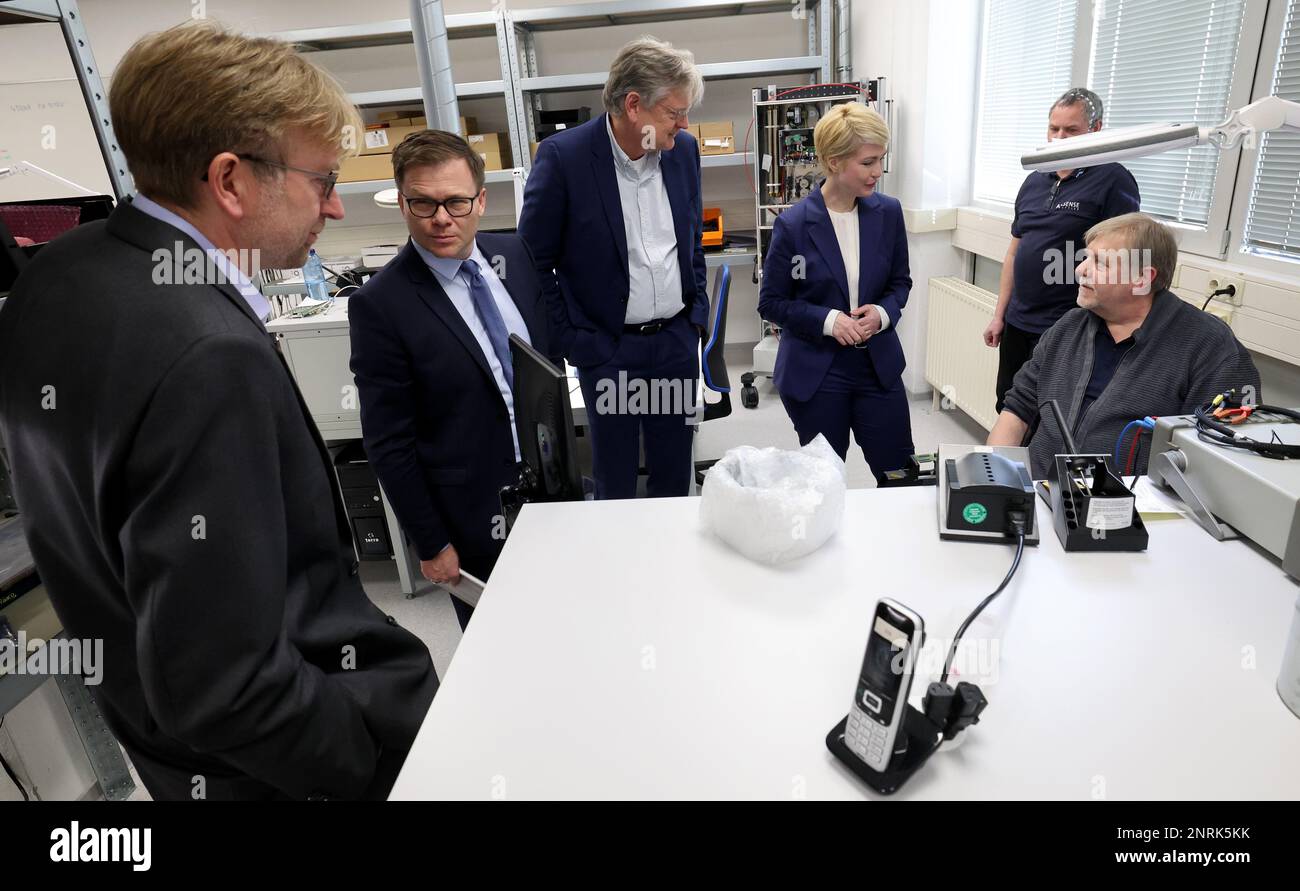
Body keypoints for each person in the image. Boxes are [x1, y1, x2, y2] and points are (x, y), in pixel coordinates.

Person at [0, 22, 437, 801]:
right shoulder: (207, 355)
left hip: (166, 745)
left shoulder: (61, 271)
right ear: (230, 181)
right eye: (323, 180)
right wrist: (366, 773)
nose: (335, 209)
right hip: (275, 771)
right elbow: (226, 686)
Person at [349, 131, 550, 631]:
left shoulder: (515, 255)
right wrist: (432, 541)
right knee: (498, 647)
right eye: (424, 203)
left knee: (562, 620)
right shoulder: (381, 305)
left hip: (547, 487)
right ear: (402, 203)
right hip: (472, 513)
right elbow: (388, 442)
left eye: (457, 202)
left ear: (481, 201)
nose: (442, 218)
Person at [518, 36, 708, 499]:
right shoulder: (565, 159)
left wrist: (695, 315)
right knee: (616, 482)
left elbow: (692, 240)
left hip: (675, 344)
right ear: (633, 105)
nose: (684, 124)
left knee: (673, 476)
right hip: (609, 350)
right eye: (674, 113)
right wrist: (574, 340)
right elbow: (534, 262)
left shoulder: (682, 152)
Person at [988, 213, 1261, 478]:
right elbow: (1017, 409)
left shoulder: (1209, 347)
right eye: (1086, 258)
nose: (1080, 270)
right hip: (1044, 492)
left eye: (1100, 263)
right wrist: (994, 480)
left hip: (1133, 512)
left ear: (1142, 279)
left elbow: (1217, 459)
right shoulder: (1069, 327)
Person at [757, 103, 914, 485]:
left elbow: (900, 283)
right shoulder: (794, 224)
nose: (878, 171)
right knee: (823, 482)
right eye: (867, 162)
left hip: (877, 365)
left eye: (881, 160)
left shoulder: (888, 213)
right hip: (818, 369)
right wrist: (829, 321)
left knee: (900, 474)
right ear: (833, 162)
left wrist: (882, 312)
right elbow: (772, 302)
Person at [984, 87, 1141, 413]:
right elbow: (1015, 252)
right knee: (1009, 404)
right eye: (1053, 128)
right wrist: (999, 315)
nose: (1059, 137)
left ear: (1095, 130)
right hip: (1018, 322)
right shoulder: (1035, 180)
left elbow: (1121, 263)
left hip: (1068, 327)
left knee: (1051, 415)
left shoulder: (1114, 181)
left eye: (1071, 130)